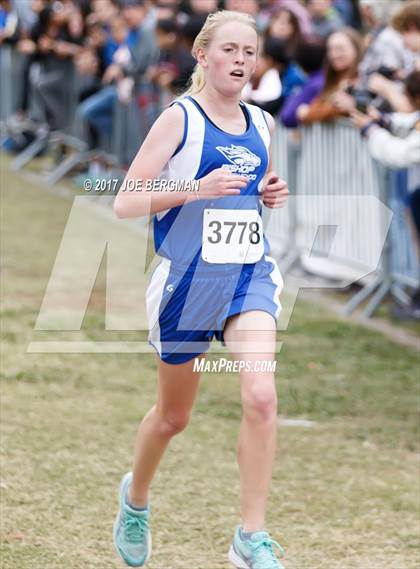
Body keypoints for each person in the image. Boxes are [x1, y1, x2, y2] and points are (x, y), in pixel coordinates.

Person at [113, 9, 289, 569]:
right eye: (230, 50)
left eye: (249, 52)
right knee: (173, 418)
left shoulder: (262, 124)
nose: (240, 60)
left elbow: (249, 186)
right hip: (188, 283)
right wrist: (195, 187)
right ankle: (135, 500)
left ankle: (250, 537)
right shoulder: (178, 119)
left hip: (246, 274)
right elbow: (125, 200)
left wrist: (267, 191)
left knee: (261, 396)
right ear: (203, 55)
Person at [298, 27, 363, 124]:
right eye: (330, 49)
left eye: (340, 48)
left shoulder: (362, 79)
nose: (334, 55)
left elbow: (340, 109)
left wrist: (313, 112)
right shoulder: (330, 80)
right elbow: (309, 110)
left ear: (356, 49)